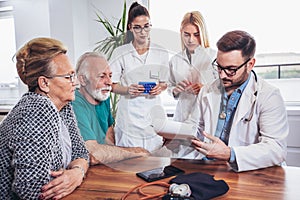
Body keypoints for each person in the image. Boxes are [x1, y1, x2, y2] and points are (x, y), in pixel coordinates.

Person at [0, 37, 89, 199]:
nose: (75, 82)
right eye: (68, 77)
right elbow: (30, 190)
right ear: (44, 83)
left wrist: (76, 173)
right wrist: (70, 177)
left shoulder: (64, 107)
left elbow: (81, 152)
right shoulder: (36, 110)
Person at [191, 30, 289, 172]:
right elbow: (196, 128)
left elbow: (276, 149)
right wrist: (177, 137)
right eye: (219, 66)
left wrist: (230, 154)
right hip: (212, 169)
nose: (222, 75)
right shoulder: (207, 91)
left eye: (231, 69)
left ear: (250, 64)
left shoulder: (269, 96)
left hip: (253, 173)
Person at [109, 2, 170, 154]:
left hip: (153, 116)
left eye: (146, 26)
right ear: (130, 27)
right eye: (137, 27)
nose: (143, 32)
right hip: (129, 117)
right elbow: (111, 85)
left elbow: (165, 83)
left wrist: (159, 88)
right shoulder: (120, 52)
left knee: (155, 163)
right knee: (129, 162)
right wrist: (128, 89)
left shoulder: (161, 51)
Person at [72, 52, 149, 165]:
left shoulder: (102, 96)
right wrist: (137, 152)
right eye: (102, 76)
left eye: (110, 76)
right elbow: (93, 154)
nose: (109, 82)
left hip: (103, 166)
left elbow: (108, 134)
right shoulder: (74, 104)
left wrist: (114, 155)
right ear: (83, 80)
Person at [169, 11, 216, 125]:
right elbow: (169, 86)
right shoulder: (175, 60)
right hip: (181, 118)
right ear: (181, 33)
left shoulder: (213, 56)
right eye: (186, 34)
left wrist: (204, 88)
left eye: (196, 34)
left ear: (202, 33)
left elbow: (224, 88)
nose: (191, 40)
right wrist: (175, 90)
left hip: (205, 119)